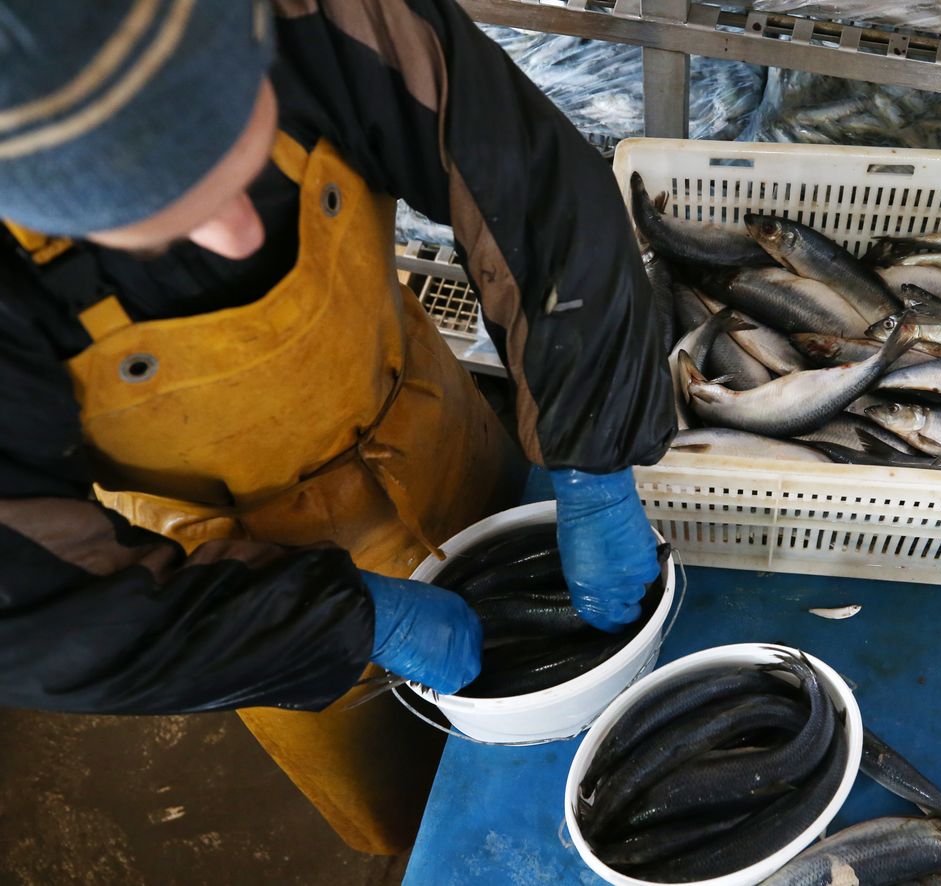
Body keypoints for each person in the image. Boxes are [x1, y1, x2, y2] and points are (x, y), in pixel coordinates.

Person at [0, 0, 673, 855]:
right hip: (233, 577)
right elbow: (31, 617)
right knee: (407, 799)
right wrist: (333, 628)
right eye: (161, 220)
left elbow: (534, 195)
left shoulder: (330, 16)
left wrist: (595, 450)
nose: (239, 233)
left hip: (428, 427)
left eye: (242, 149)